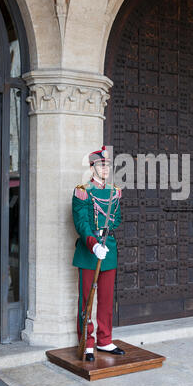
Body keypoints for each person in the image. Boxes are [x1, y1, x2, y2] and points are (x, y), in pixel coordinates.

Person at [72, 146, 125, 362]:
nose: (106, 169)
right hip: (89, 251)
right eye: (102, 165)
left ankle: (105, 340)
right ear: (92, 166)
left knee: (106, 299)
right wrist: (93, 243)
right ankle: (88, 342)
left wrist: (106, 230)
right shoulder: (82, 191)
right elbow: (81, 222)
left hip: (108, 250)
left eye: (108, 165)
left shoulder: (115, 191)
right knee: (87, 300)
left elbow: (117, 218)